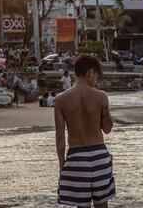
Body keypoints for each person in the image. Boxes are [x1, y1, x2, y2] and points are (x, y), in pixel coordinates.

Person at [55, 54, 115, 207]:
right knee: (102, 205)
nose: (96, 80)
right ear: (90, 72)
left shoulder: (61, 99)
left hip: (76, 158)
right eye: (96, 76)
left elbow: (60, 137)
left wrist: (62, 165)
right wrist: (106, 111)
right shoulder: (101, 96)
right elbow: (107, 129)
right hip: (100, 156)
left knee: (82, 206)